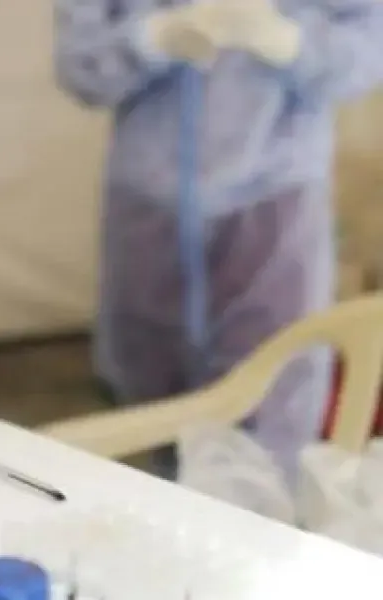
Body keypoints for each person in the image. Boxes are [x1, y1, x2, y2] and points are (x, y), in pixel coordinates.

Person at [54, 0, 383, 478]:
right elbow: (78, 63)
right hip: (149, 201)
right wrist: (154, 37)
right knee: (145, 407)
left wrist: (291, 41)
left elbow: (367, 47)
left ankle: (262, 515)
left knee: (275, 388)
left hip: (276, 195)